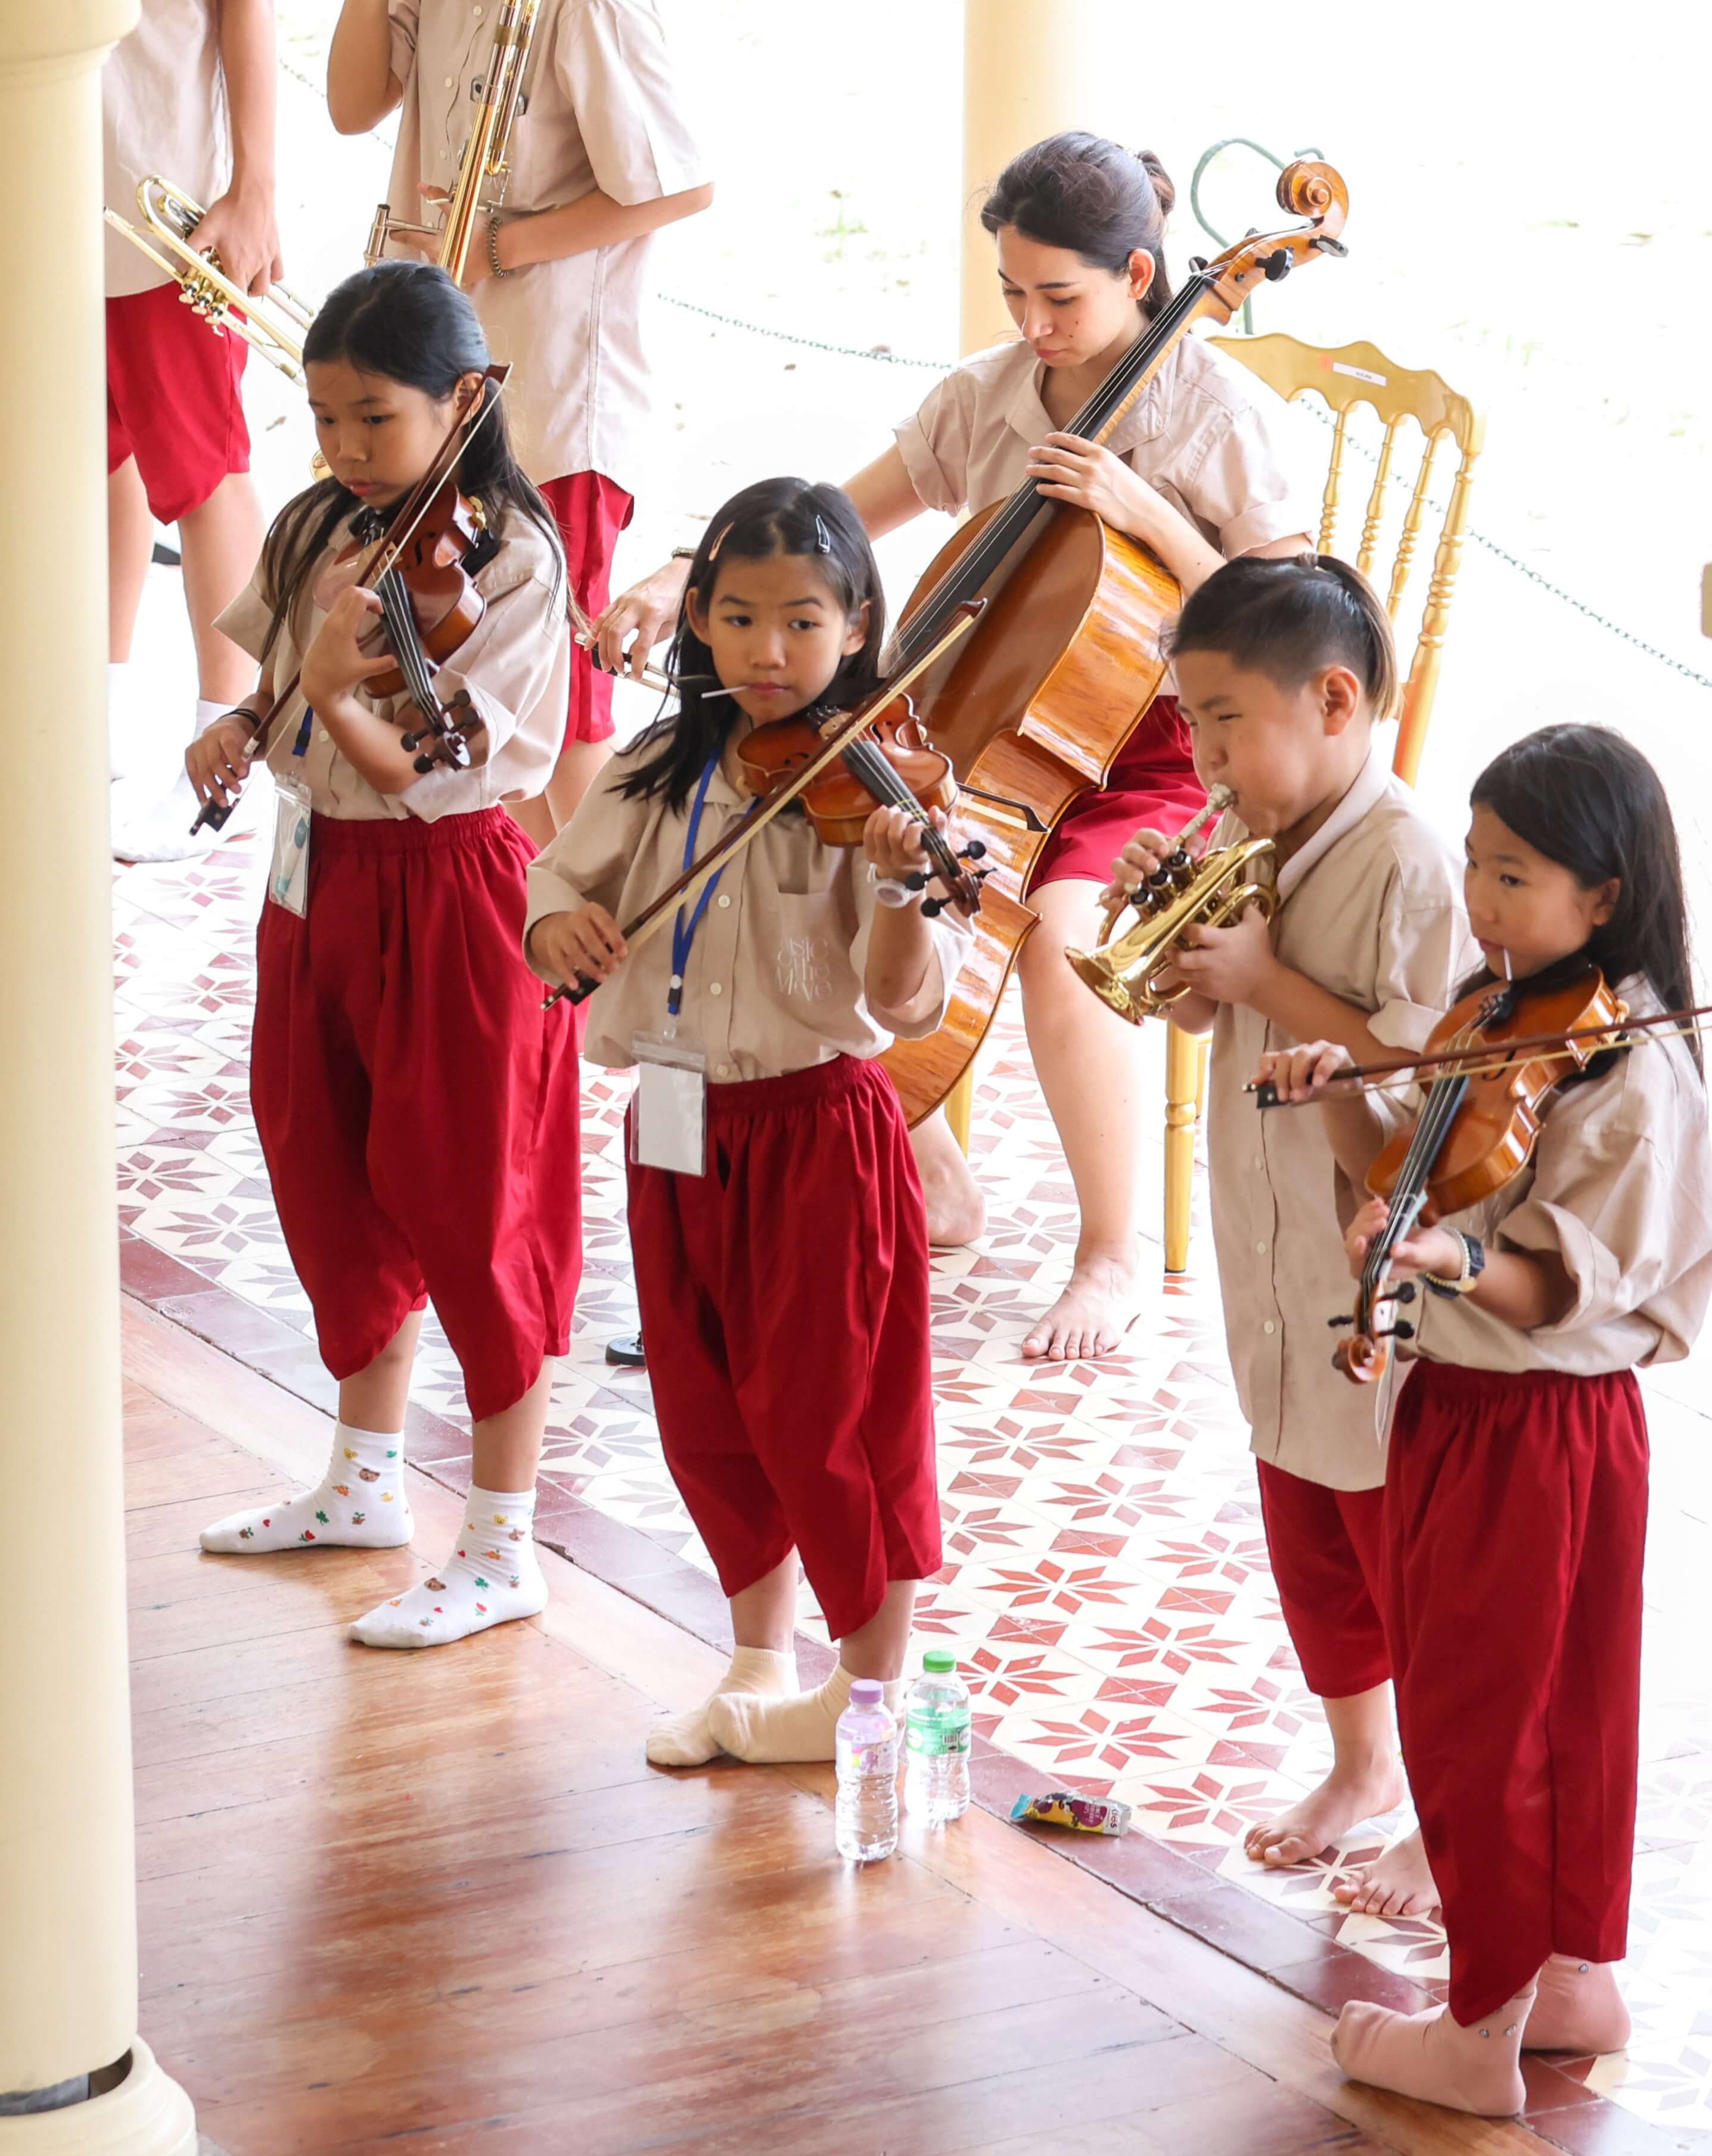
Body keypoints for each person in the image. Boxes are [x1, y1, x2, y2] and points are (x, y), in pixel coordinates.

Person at [596, 132, 1312, 1360]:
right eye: (1013, 294)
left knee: (1057, 942)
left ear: (1141, 279)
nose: (1033, 325)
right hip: (1002, 736)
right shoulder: (986, 396)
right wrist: (687, 565)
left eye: (1060, 297)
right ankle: (930, 1176)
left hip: (1171, 759)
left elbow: (1298, 634)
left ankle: (1109, 1253)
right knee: (819, 870)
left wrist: (1145, 515)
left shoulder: (1214, 417)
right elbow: (834, 521)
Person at [1275, 724, 1712, 2115]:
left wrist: (1447, 1263)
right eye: (1472, 863)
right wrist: (1334, 1103)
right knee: (1560, 1705)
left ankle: (1478, 2029)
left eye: (1513, 874)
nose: (1478, 898)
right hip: (1511, 1416)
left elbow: (1545, 1286)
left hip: (1531, 1418)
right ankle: (1569, 1971)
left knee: (1487, 1716)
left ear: (1606, 897)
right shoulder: (1499, 1009)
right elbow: (1418, 1179)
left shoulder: (1629, 1071)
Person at [525, 479, 972, 1768]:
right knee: (707, 1405)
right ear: (701, 622)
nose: (767, 654)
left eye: (801, 622)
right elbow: (559, 878)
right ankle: (757, 1663)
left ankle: (867, 1696)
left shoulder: (875, 788)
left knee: (831, 1415)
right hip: (672, 1122)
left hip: (814, 1131)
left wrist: (902, 880)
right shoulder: (664, 760)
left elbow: (897, 998)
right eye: (736, 619)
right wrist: (556, 924)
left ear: (855, 625)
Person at [189, 262, 583, 1652]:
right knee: (321, 1158)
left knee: (477, 1198)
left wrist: (336, 685)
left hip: (453, 888)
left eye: (375, 420)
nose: (347, 451)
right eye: (325, 419)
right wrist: (243, 722)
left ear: (465, 400)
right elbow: (274, 679)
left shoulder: (515, 561)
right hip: (316, 881)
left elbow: (442, 769)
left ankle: (501, 1539)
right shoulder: (318, 522)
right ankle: (361, 1483)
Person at [1106, 556, 1468, 1918]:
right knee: (1306, 1530)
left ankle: (1440, 1812)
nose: (1200, 753)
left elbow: (1427, 1064)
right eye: (1188, 721)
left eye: (1221, 717)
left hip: (1360, 1266)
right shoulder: (1242, 831)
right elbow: (1204, 1015)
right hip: (1265, 1254)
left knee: (1398, 1554)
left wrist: (1265, 977)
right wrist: (1179, 948)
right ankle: (1358, 1763)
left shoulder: (1408, 861)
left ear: (1333, 700)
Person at [327, 0, 712, 842]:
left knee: (559, 707)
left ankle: (596, 946)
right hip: (440, 389)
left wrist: (505, 247)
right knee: (469, 680)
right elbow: (352, 107)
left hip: (556, 395)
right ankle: (542, 939)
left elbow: (682, 183)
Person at [105, 0, 280, 863]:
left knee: (205, 472)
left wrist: (256, 189)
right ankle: (98, 715)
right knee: (101, 459)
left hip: (167, 202)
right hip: (54, 186)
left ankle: (228, 759)